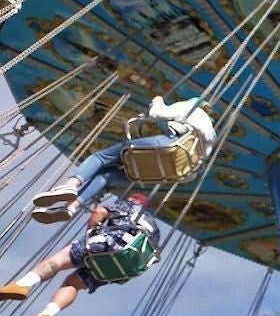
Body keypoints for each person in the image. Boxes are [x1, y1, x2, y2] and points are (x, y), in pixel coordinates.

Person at [0, 192, 161, 316]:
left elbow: (99, 212)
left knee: (58, 261)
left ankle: (23, 284)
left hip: (108, 243)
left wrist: (91, 231)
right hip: (122, 267)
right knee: (74, 283)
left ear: (133, 199)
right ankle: (47, 314)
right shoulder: (154, 227)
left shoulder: (129, 205)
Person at [31, 95, 215, 223]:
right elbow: (194, 171)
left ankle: (71, 185)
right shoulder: (210, 137)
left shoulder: (191, 109)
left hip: (168, 146)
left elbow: (157, 114)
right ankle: (71, 207)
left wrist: (158, 101)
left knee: (100, 157)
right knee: (106, 176)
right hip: (165, 171)